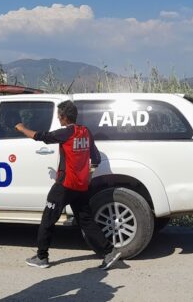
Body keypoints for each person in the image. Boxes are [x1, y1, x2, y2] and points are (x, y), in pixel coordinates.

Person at [15, 100, 122, 270]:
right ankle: (109, 252)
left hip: (64, 185)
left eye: (58, 116)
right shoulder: (86, 132)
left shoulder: (66, 133)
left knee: (47, 219)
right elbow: (96, 158)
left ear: (64, 117)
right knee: (86, 220)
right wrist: (88, 176)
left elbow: (40, 136)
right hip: (80, 186)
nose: (58, 118)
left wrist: (21, 128)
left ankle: (42, 257)